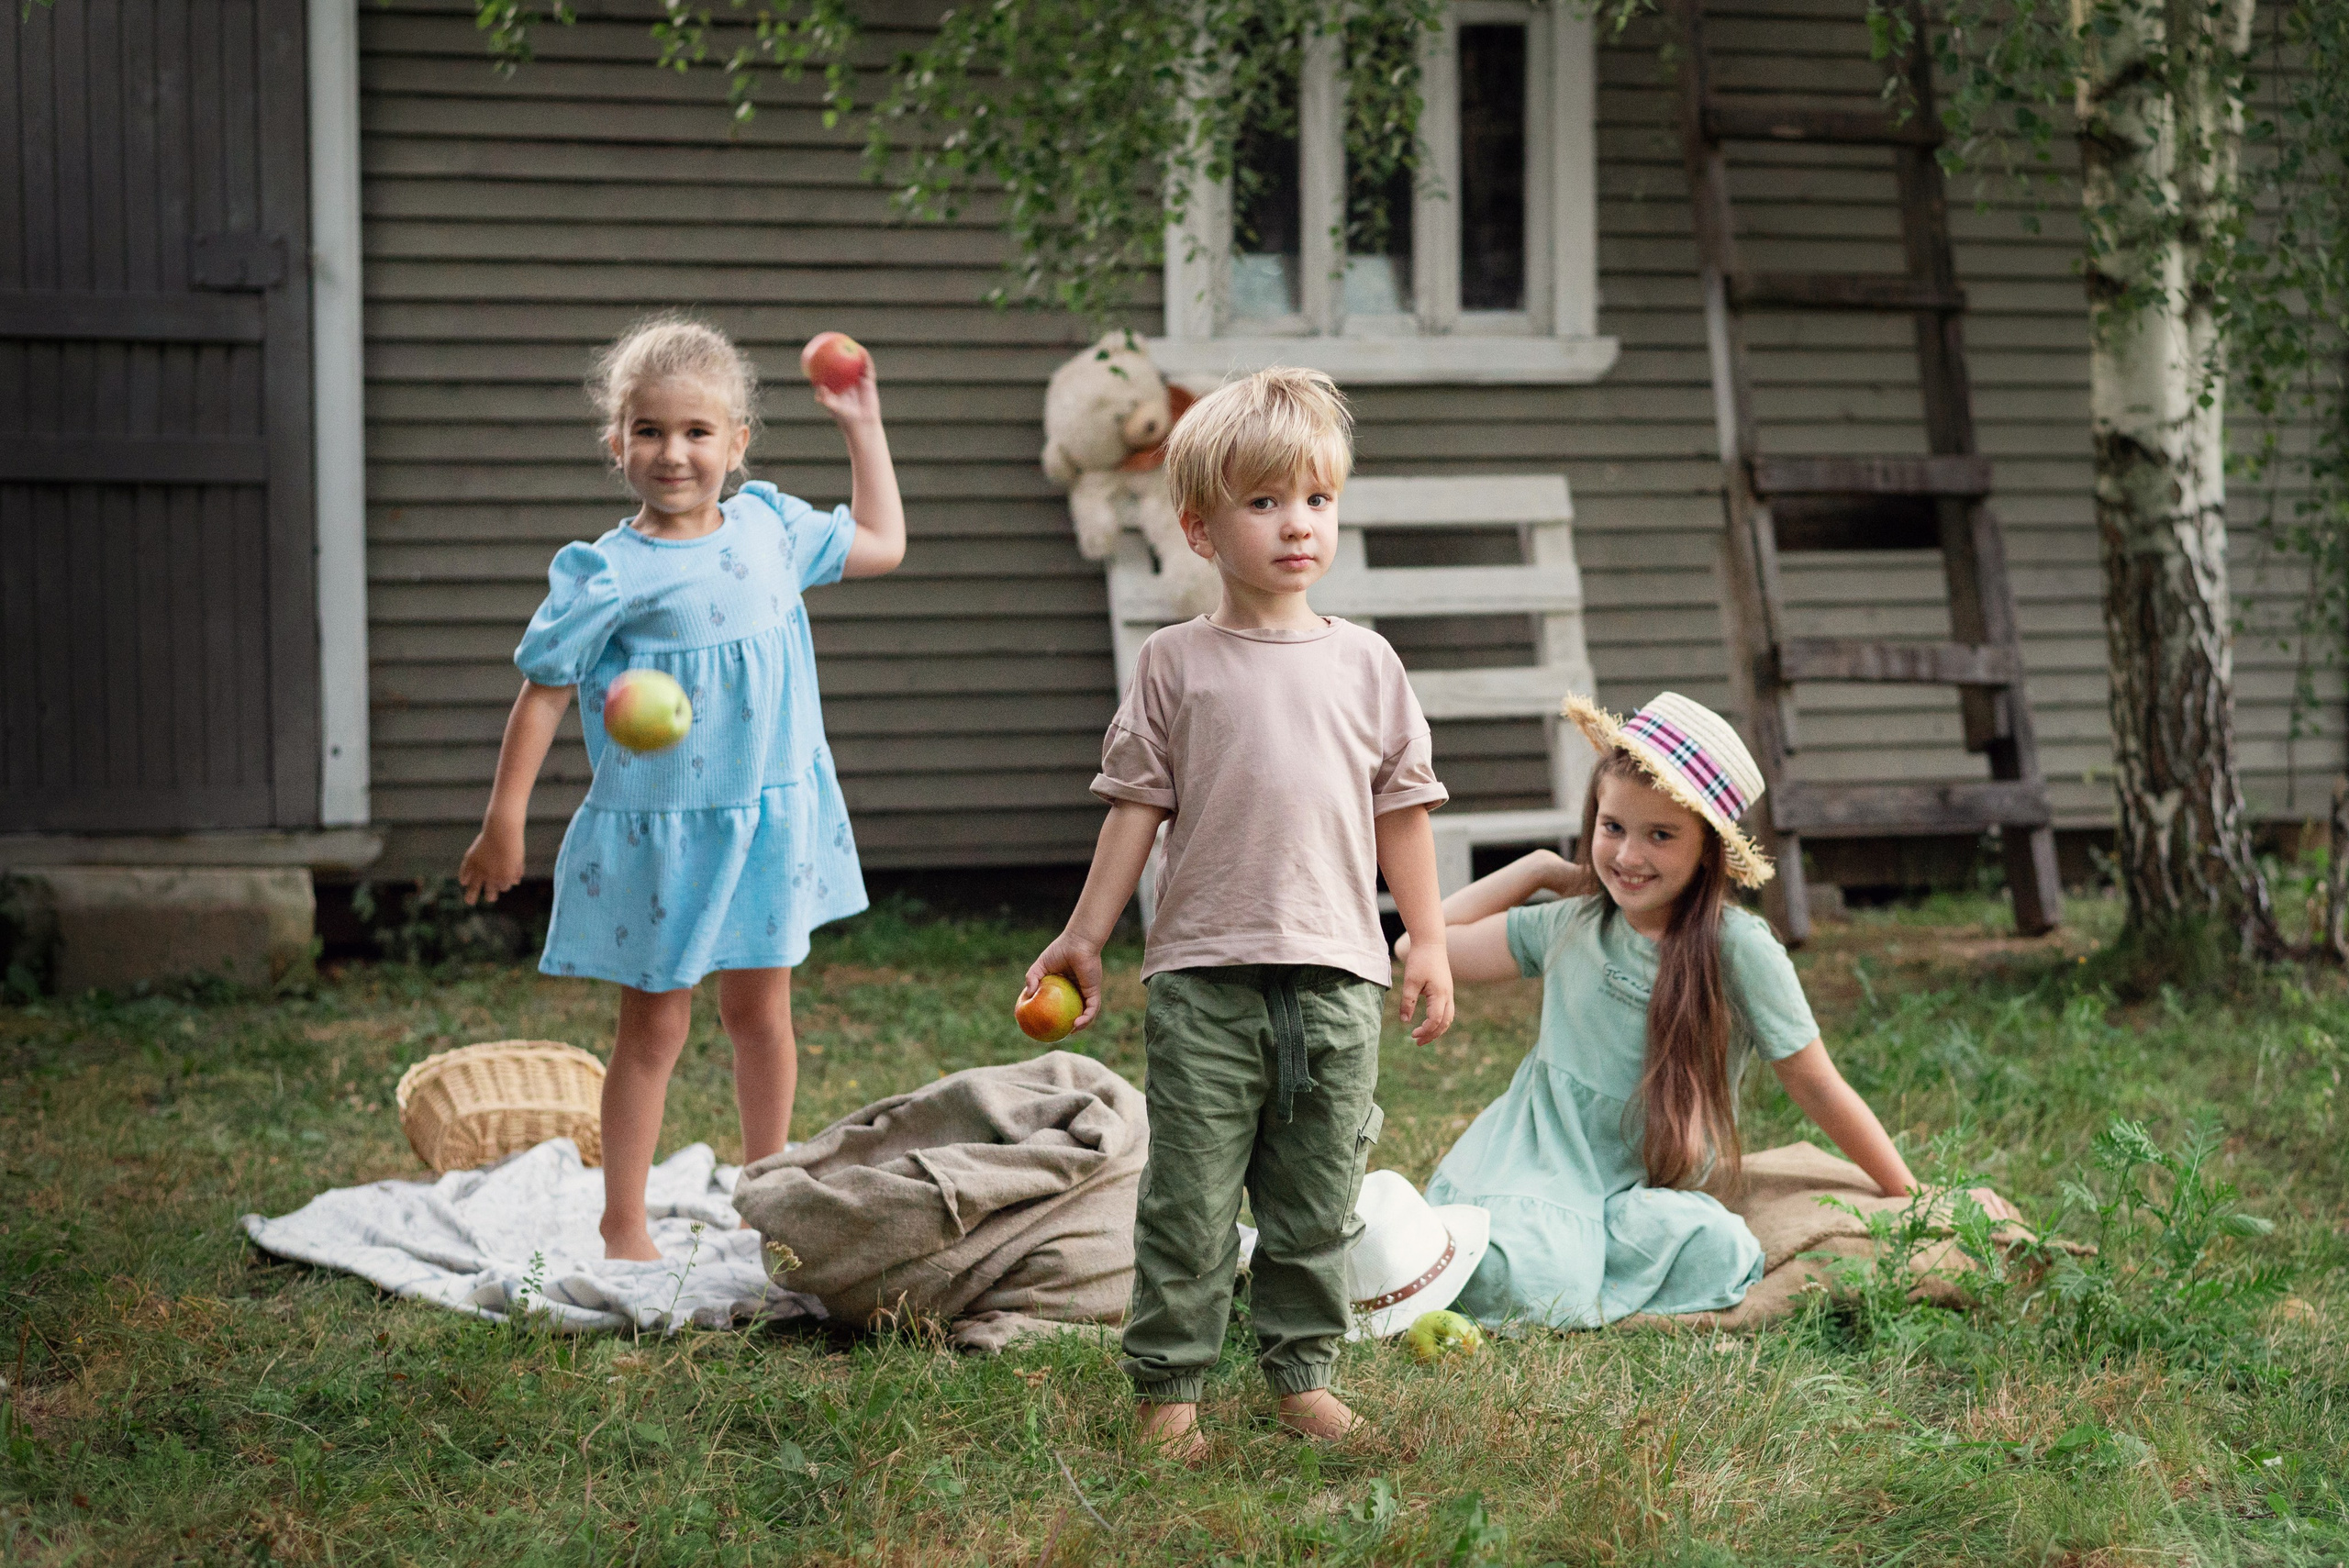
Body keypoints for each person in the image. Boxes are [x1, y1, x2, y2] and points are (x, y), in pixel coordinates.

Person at [1020, 367, 1455, 1460]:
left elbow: (1402, 814)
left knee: (1317, 1197)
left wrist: (1429, 940)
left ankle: (1299, 1374)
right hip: (1206, 977)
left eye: (1314, 499)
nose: (1295, 524)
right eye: (1262, 503)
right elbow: (1133, 812)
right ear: (1200, 528)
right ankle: (1169, 1385)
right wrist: (1084, 932)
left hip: (1340, 975)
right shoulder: (1173, 664)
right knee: (1191, 1197)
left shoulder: (1368, 663)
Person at [455, 313, 905, 1262]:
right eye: (649, 429)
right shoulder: (608, 573)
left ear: (736, 443)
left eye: (698, 431)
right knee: (654, 1028)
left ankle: (768, 1190)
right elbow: (539, 696)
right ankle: (623, 1221)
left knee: (762, 1016)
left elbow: (881, 541)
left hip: (768, 824)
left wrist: (860, 423)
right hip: (666, 833)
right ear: (615, 441)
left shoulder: (772, 528)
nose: (673, 451)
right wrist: (503, 821)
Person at [1400, 692, 2019, 1328]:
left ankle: (1585, 1256)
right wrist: (1534, 870)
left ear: (1707, 848)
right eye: (1612, 827)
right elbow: (1416, 946)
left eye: (1661, 835)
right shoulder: (1571, 923)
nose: (1628, 856)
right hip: (1538, 1162)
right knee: (1528, 1277)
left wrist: (1905, 1191)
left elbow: (1815, 1081)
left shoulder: (1737, 948)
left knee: (1720, 1249)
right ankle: (1541, 1257)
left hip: (1644, 1184)